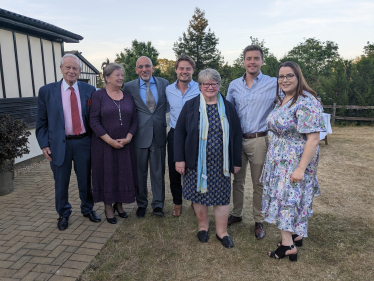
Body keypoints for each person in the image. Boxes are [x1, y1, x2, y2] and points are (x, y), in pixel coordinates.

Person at [261, 61, 326, 261]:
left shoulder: (306, 100)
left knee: (286, 200)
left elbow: (313, 139)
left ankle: (288, 245)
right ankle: (295, 234)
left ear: (298, 77)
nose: (285, 80)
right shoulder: (284, 99)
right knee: (287, 197)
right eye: (281, 76)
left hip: (293, 161)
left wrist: (300, 168)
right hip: (278, 160)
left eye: (290, 75)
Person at [174, 68, 242, 248]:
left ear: (219, 85)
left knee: (221, 197)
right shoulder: (190, 105)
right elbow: (179, 133)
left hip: (222, 164)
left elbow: (236, 134)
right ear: (200, 86)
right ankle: (203, 227)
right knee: (199, 196)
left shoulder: (227, 107)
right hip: (195, 162)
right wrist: (179, 159)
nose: (210, 87)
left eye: (214, 83)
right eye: (206, 83)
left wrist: (236, 161)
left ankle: (222, 232)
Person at [36, 54, 101, 231]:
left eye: (75, 68)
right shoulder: (47, 91)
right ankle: (63, 213)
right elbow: (41, 123)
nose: (71, 71)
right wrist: (44, 145)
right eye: (68, 67)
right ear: (61, 69)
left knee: (85, 181)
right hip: (59, 145)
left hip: (83, 143)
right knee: (61, 182)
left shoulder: (89, 90)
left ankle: (88, 209)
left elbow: (95, 119)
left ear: (80, 71)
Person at [226, 45, 277, 239]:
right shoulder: (234, 85)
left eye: (256, 58)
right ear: (244, 61)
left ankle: (258, 220)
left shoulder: (273, 83)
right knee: (237, 180)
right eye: (249, 58)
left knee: (259, 183)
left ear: (262, 61)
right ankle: (237, 214)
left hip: (259, 139)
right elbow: (229, 111)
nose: (252, 62)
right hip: (237, 139)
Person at [90, 63, 138, 224]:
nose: (121, 78)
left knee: (122, 174)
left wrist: (129, 138)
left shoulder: (128, 96)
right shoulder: (98, 96)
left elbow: (134, 120)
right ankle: (108, 207)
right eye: (117, 75)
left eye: (122, 75)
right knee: (107, 175)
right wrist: (109, 140)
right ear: (107, 78)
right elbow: (94, 121)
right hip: (104, 145)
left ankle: (119, 204)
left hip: (125, 145)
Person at [123, 56, 169, 218]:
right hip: (139, 136)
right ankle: (141, 203)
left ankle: (158, 204)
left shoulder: (164, 84)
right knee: (139, 173)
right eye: (140, 67)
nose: (144, 69)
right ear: (136, 70)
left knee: (158, 173)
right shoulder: (128, 87)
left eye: (147, 66)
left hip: (159, 136)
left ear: (153, 67)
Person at [165, 55, 200, 217]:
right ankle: (177, 203)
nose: (184, 71)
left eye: (188, 68)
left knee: (194, 168)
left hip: (195, 135)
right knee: (174, 171)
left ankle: (194, 200)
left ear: (193, 70)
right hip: (174, 135)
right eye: (181, 68)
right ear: (176, 70)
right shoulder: (168, 90)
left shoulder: (200, 88)